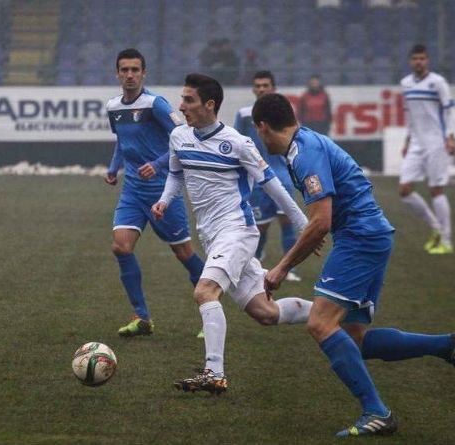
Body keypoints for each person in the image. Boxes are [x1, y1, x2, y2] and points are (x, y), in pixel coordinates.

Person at [252, 92, 455, 437]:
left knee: (320, 323)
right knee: (354, 338)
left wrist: (282, 266)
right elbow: (321, 220)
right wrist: (310, 238)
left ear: (263, 126)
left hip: (359, 238)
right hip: (369, 235)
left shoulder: (304, 153)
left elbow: (321, 221)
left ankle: (376, 412)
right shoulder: (304, 144)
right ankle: (447, 345)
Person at [151, 73, 314, 394]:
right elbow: (176, 174)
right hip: (211, 236)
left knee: (205, 292)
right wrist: (164, 200)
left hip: (237, 231)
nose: (181, 106)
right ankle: (335, 312)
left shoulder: (238, 143)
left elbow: (272, 185)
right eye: (182, 99)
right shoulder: (179, 136)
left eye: (188, 100)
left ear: (209, 105)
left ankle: (214, 373)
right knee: (265, 312)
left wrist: (302, 223)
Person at [105, 48, 205, 338]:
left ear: (144, 73)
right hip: (132, 191)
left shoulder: (155, 104)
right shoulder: (113, 107)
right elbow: (121, 141)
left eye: (135, 69)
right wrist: (113, 168)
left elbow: (183, 137)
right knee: (121, 247)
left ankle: (210, 310)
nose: (130, 75)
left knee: (183, 252)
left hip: (163, 191)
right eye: (124, 70)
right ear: (117, 74)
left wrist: (159, 164)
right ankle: (142, 317)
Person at [234, 70, 301, 282]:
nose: (261, 89)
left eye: (265, 85)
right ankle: (256, 259)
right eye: (258, 85)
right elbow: (237, 142)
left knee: (286, 221)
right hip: (256, 177)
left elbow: (296, 137)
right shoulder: (244, 114)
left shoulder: (285, 112)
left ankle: (289, 269)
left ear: (273, 88)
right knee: (260, 226)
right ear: (253, 89)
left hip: (282, 173)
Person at [399, 43, 455, 254]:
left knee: (436, 190)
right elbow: (409, 115)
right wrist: (407, 140)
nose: (418, 62)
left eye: (422, 59)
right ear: (410, 61)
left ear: (427, 60)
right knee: (404, 190)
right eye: (415, 59)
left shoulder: (438, 82)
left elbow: (451, 111)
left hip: (436, 142)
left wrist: (451, 137)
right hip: (416, 143)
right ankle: (436, 228)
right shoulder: (406, 83)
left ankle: (446, 241)